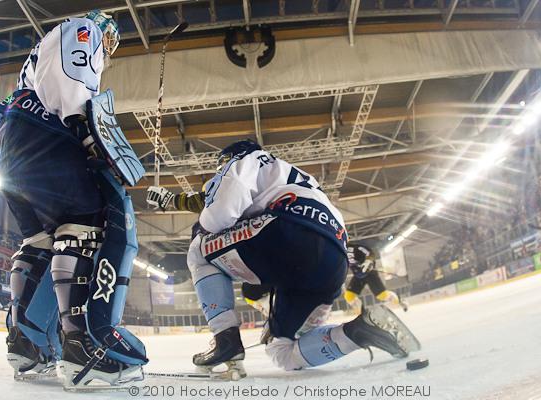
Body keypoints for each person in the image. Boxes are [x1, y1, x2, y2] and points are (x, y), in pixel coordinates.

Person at [147, 139, 412, 375]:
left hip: (289, 233)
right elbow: (211, 199)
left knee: (199, 247)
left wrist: (201, 219)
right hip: (333, 261)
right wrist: (172, 200)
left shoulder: (245, 158)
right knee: (281, 350)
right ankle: (359, 332)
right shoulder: (289, 175)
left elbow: (218, 215)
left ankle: (226, 340)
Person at [0, 10, 147, 387]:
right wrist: (87, 131)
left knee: (38, 241)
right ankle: (80, 346)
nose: (108, 47)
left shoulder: (38, 53)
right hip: (46, 132)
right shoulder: (84, 29)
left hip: (12, 139)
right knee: (83, 223)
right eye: (110, 39)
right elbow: (72, 76)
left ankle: (25, 343)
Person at [344, 243, 406, 313]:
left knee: (383, 296)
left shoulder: (355, 247)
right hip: (358, 275)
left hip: (370, 274)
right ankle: (361, 313)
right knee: (349, 296)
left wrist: (368, 261)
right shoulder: (339, 251)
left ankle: (400, 301)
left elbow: (369, 253)